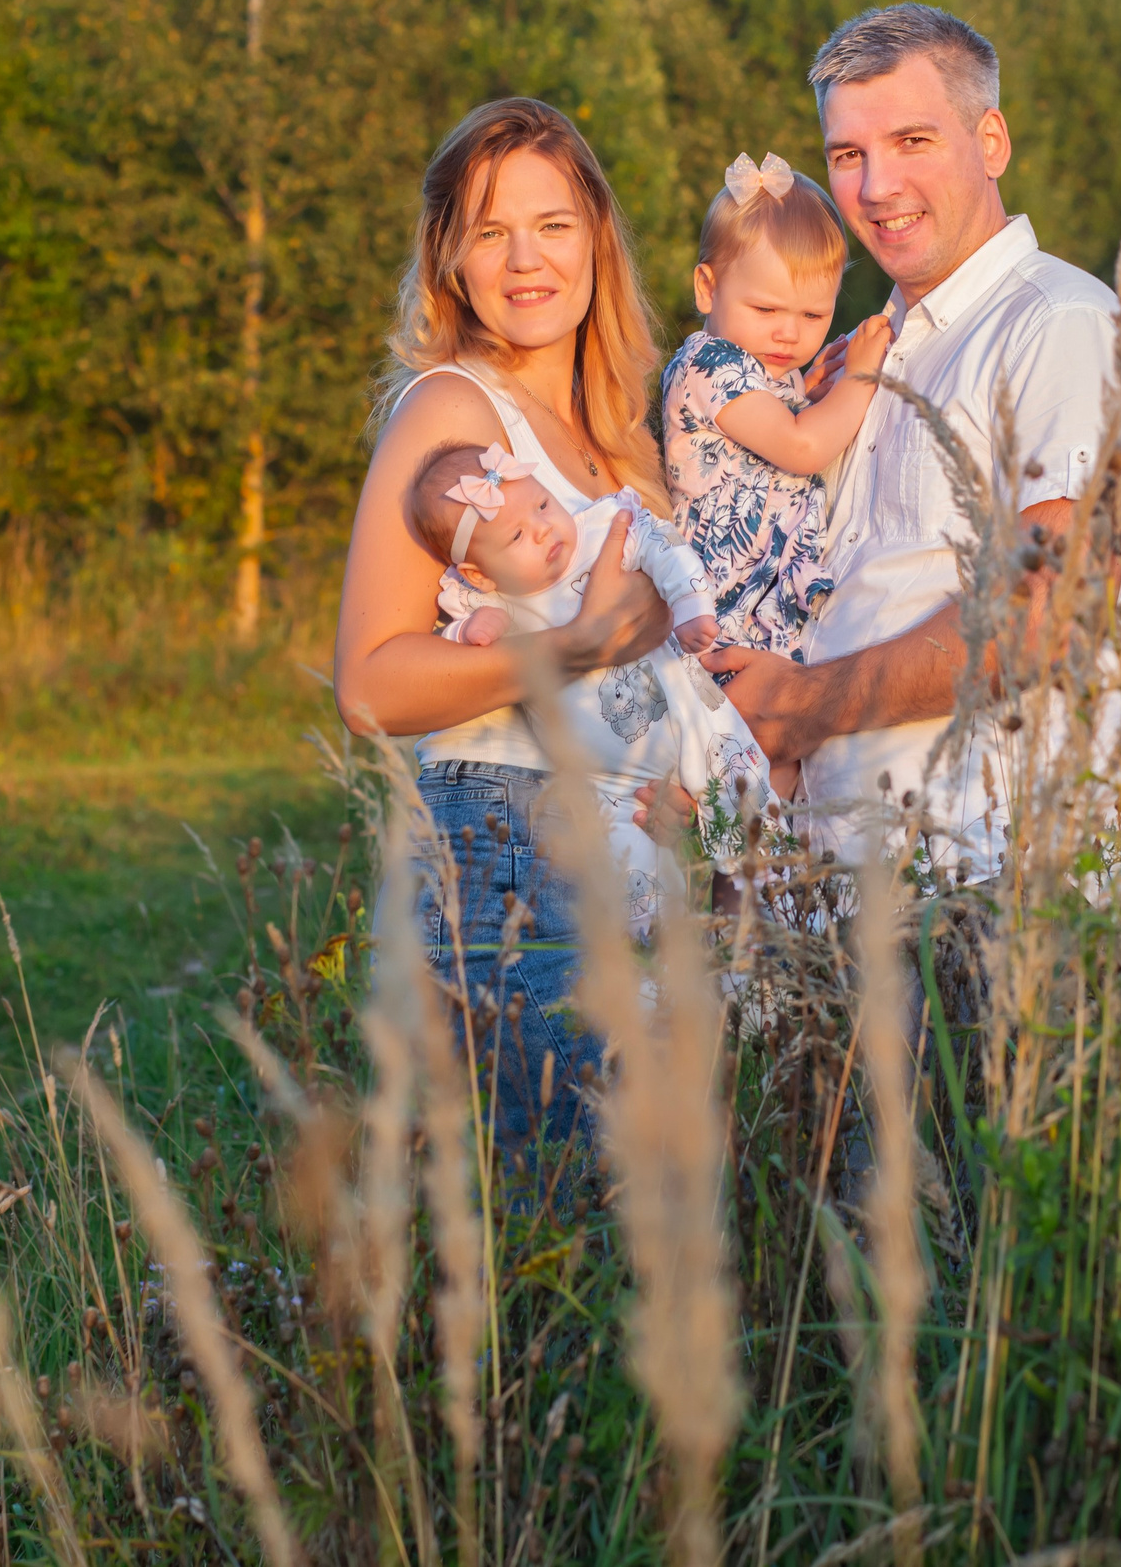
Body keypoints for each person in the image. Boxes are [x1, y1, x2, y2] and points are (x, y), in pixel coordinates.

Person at [671, 2, 1121, 881]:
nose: (876, 187)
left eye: (912, 142)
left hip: (987, 887)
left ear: (993, 142)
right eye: (847, 156)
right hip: (834, 892)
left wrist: (799, 709)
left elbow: (1051, 613)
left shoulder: (1058, 324)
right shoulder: (862, 353)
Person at [332, 96, 675, 1149]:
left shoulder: (627, 437)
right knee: (553, 1228)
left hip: (636, 858)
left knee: (644, 1234)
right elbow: (371, 682)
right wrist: (573, 646)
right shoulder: (453, 412)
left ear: (596, 239)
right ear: (452, 261)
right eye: (490, 231)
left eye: (553, 225)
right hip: (511, 845)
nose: (526, 259)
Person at [410, 440, 773, 935]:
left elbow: (661, 545)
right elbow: (447, 649)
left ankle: (776, 919)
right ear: (479, 572)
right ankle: (669, 969)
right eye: (517, 535)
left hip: (688, 712)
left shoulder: (599, 530)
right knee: (633, 880)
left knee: (744, 800)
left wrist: (691, 606)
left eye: (542, 504)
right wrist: (467, 632)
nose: (543, 529)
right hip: (608, 781)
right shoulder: (488, 601)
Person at [658, 151, 893, 800]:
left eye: (814, 317)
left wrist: (812, 388)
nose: (790, 334)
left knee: (770, 795)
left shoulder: (761, 371)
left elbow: (789, 416)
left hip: (764, 619)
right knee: (746, 795)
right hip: (726, 622)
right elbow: (800, 446)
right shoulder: (709, 365)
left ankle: (765, 900)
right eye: (767, 310)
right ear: (707, 288)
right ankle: (744, 899)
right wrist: (862, 376)